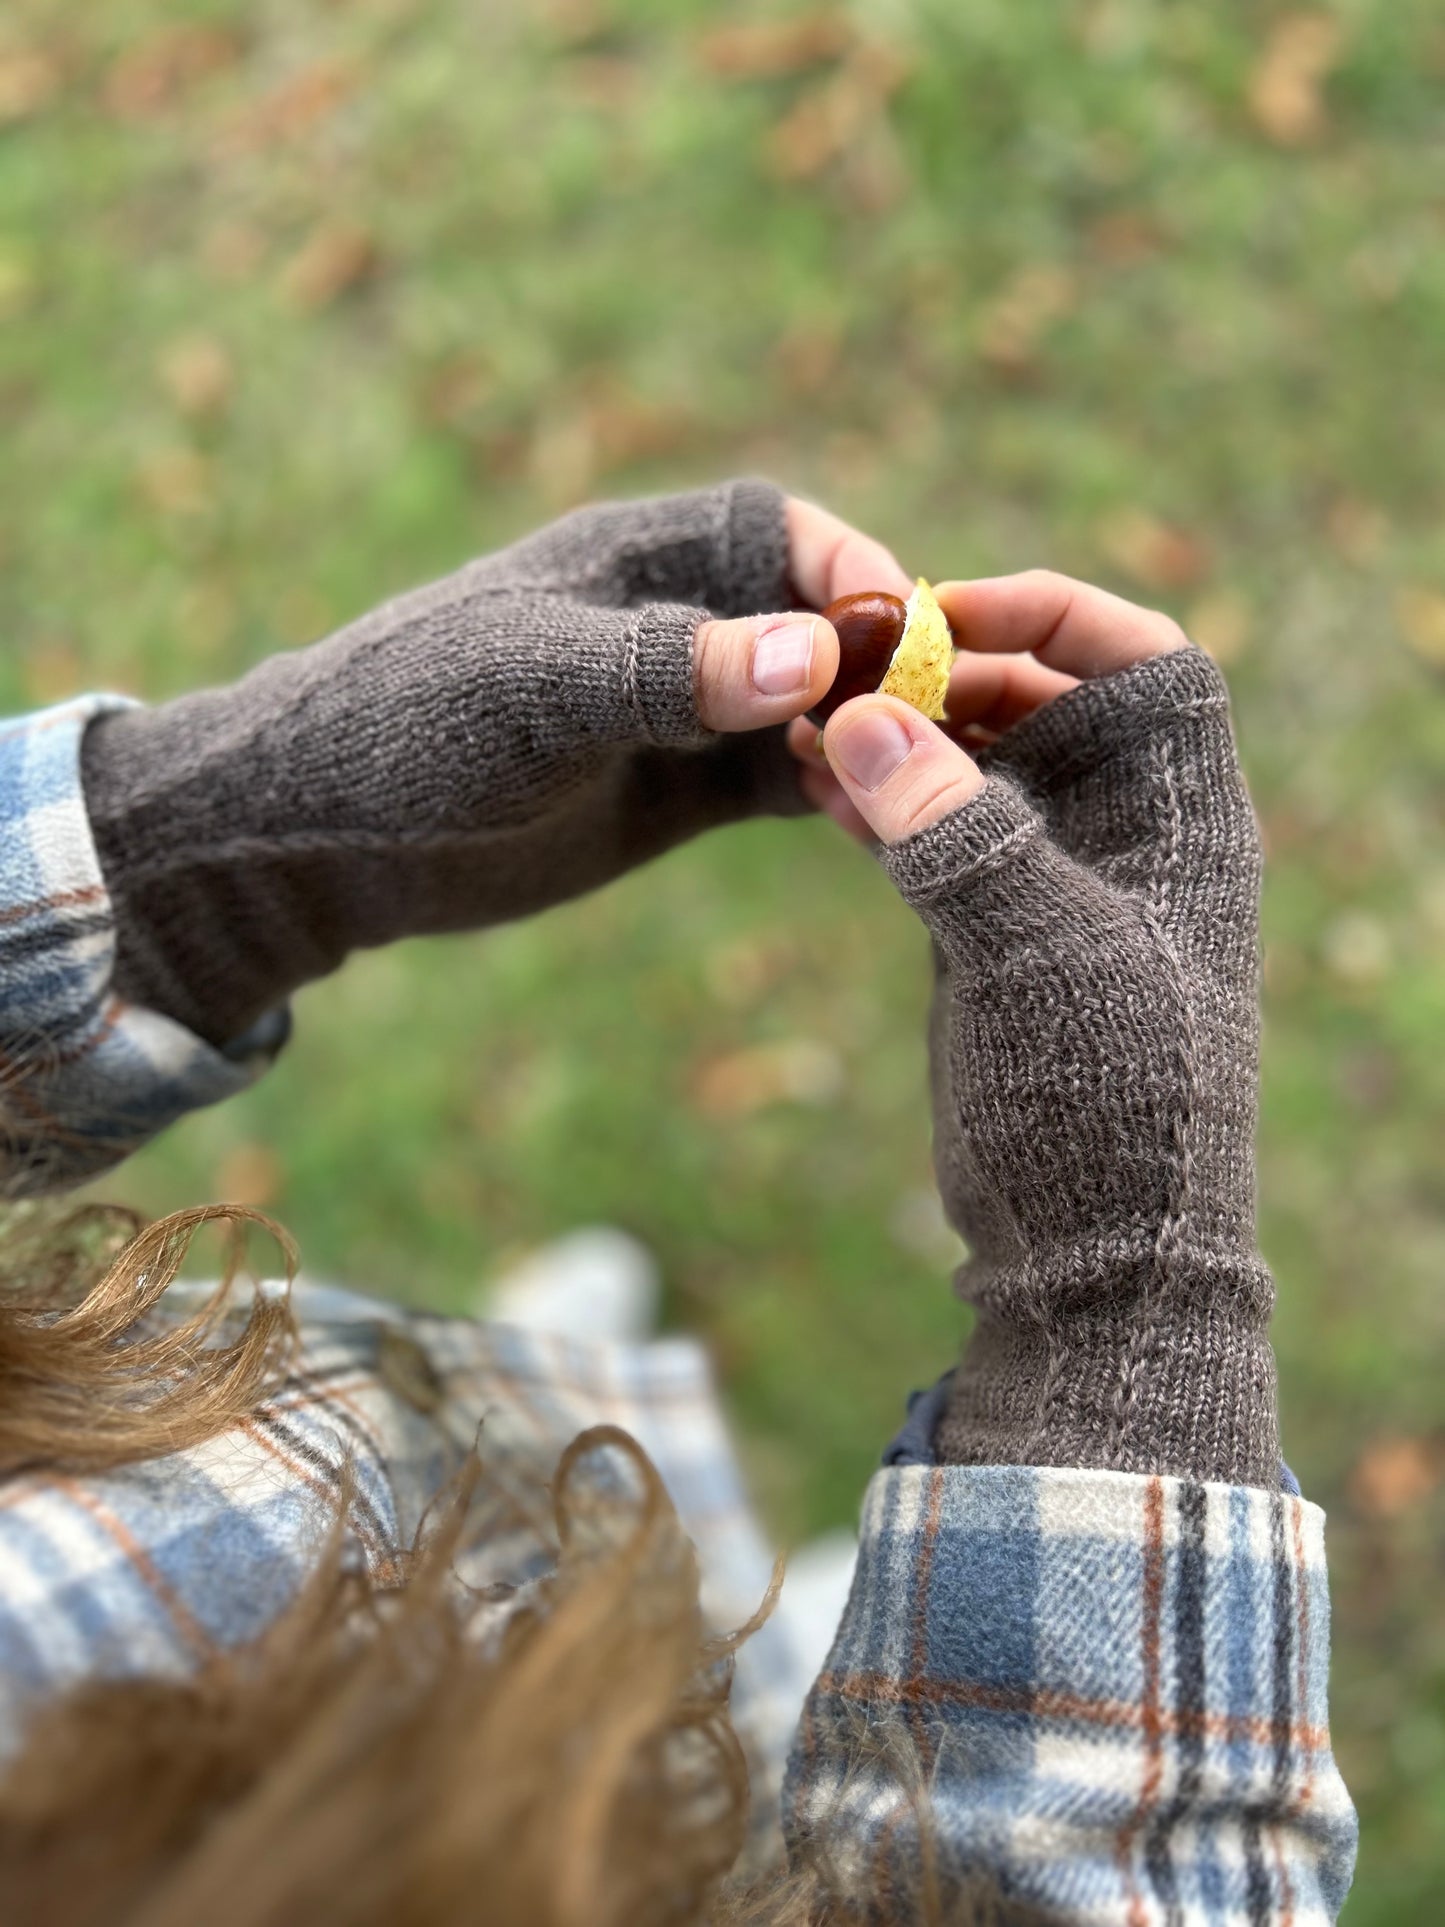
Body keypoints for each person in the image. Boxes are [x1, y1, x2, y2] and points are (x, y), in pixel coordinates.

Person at [0, 480, 1357, 1923]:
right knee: (768, 1751)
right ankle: (891, 1664)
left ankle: (720, 1562)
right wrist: (1119, 1310)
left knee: (558, 1492)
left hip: (332, 1456)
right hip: (654, 1836)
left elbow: (200, 858)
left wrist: (204, 855)